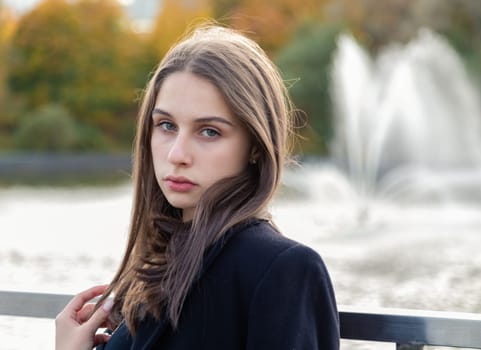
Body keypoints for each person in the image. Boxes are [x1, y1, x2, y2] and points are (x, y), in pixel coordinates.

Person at [55, 24, 340, 350]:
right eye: (166, 125)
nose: (177, 155)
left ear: (256, 145)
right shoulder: (155, 269)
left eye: (209, 132)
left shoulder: (283, 270)